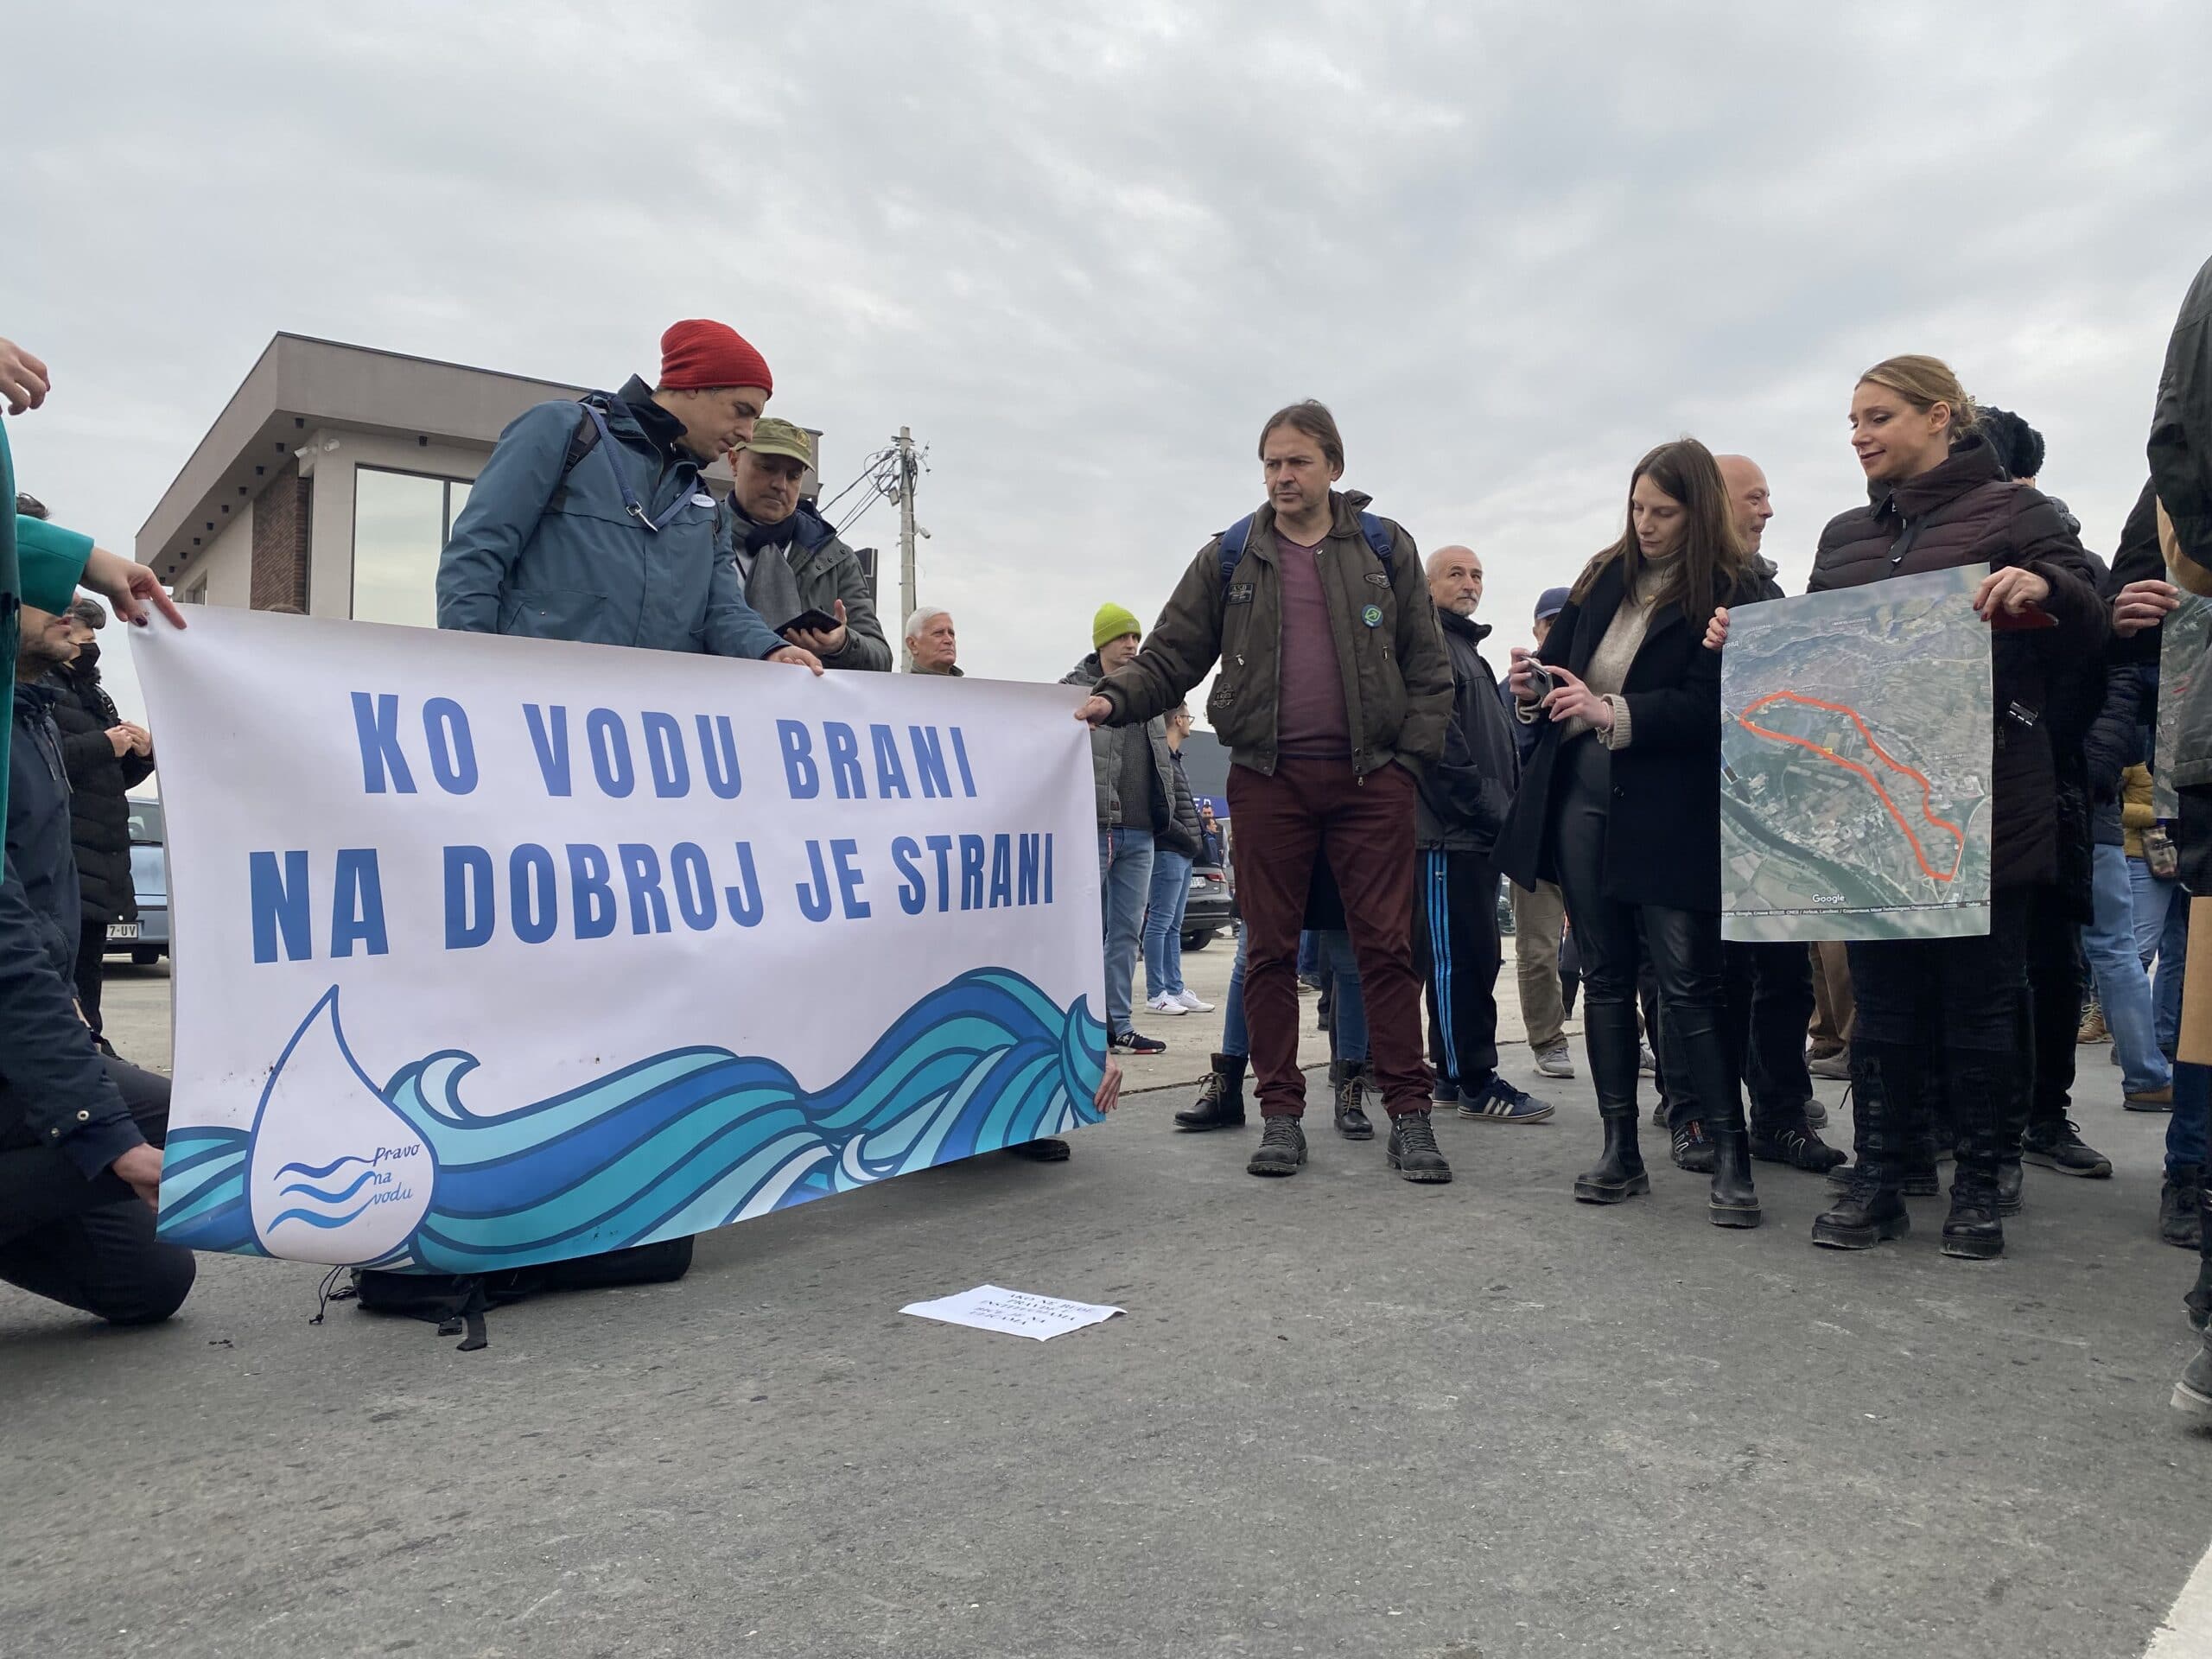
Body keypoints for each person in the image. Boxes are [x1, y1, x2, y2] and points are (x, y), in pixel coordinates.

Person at [1733, 356, 2105, 1262]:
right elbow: (1815, 652)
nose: (1857, 433)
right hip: (1872, 814)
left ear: (1939, 417)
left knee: (1981, 1007)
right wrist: (1741, 641)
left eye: (1877, 416)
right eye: (1851, 420)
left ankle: (1980, 1183)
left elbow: (2092, 625)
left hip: (1984, 802)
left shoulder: (2020, 513)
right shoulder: (1844, 534)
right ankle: (1882, 1174)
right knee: (1885, 1008)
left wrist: (2045, 589)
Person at [1074, 401, 1453, 1184]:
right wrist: (1114, 699)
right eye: (1272, 464)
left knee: (1387, 950)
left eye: (1297, 463)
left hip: (1369, 782)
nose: (1282, 477)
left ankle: (1410, 1115)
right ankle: (1281, 1116)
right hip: (1268, 782)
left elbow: (1428, 667)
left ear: (1333, 469)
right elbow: (1172, 655)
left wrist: (1406, 766)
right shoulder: (1230, 557)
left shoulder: (1386, 549)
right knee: (1269, 952)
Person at [1497, 439, 1770, 1226]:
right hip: (1583, 796)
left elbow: (1720, 707)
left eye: (1663, 512)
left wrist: (1611, 711)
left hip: (1671, 806)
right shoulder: (1601, 574)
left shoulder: (1733, 588)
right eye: (1637, 507)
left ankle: (1730, 1153)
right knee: (1609, 980)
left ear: (1698, 511)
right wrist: (1532, 686)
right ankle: (1620, 1149)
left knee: (1689, 982)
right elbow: (1559, 671)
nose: (1645, 525)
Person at [1, 576, 194, 1326]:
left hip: (24, 1031)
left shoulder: (41, 712)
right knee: (171, 1123)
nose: (78, 617)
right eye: (45, 587)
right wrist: (103, 1136)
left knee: (150, 1278)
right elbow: (8, 963)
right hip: (11, 1024)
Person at [435, 320, 819, 674]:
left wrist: (770, 650)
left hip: (644, 728)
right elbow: (477, 555)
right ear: (696, 385)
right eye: (742, 411)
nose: (748, 433)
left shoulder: (705, 510)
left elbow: (722, 612)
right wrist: (475, 673)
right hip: (535, 710)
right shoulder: (563, 433)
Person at [1710, 455, 1840, 1170]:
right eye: (1754, 497)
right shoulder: (1685, 588)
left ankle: (1781, 1115)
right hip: (1706, 816)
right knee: (1713, 978)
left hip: (1774, 821)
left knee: (1786, 977)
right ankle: (1706, 1111)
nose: (1766, 511)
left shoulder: (1772, 590)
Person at [1415, 544, 1550, 1123]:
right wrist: (1486, 809)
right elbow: (1441, 749)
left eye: (1476, 574)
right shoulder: (1430, 649)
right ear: (1426, 586)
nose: (1469, 583)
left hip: (1479, 834)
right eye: (1455, 573)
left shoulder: (1469, 651)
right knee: (1456, 962)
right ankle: (1470, 1078)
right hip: (1449, 835)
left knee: (1478, 957)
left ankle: (1454, 1072)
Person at [42, 594, 153, 1052]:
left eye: (92, 637)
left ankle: (93, 1048)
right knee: (61, 975)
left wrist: (143, 755)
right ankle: (83, 1055)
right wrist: (105, 744)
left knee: (88, 971)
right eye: (82, 634)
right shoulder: (37, 689)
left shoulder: (95, 695)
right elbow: (43, 760)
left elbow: (111, 778)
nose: (89, 644)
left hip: (101, 865)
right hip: (65, 861)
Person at [1064, 604, 1174, 1057]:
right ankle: (1085, 1022)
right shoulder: (1070, 694)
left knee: (1127, 932)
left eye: (1135, 636)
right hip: (1092, 827)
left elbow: (1163, 764)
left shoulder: (1147, 697)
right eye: (1122, 637)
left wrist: (1173, 819)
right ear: (1101, 643)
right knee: (1084, 930)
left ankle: (1120, 1023)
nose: (1131, 644)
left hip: (1141, 830)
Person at [723, 417, 891, 671]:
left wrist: (842, 644)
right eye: (767, 467)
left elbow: (880, 659)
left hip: (802, 708)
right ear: (734, 461)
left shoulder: (836, 558)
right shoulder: (696, 536)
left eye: (793, 476)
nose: (780, 485)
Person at [1506, 588, 1577, 1081]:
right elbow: (1510, 754)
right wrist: (1527, 703)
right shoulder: (1513, 685)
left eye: (1565, 621)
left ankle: (1630, 1033)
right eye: (1548, 623)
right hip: (1535, 841)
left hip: (1593, 836)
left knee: (1610, 951)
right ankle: (1548, 1040)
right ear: (1535, 630)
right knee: (1536, 951)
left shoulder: (1592, 680)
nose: (1555, 631)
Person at [1143, 702, 1215, 1019]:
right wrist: (1188, 837)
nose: (1189, 723)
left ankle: (1174, 988)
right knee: (1160, 922)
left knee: (1173, 924)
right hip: (1169, 851)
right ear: (1176, 719)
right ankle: (1155, 992)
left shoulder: (1175, 761)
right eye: (1187, 717)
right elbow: (1161, 811)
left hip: (1182, 853)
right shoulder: (1161, 763)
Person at [905, 607, 962, 676]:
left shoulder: (969, 686)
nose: (949, 640)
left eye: (951, 634)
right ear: (913, 645)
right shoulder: (899, 686)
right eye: (938, 633)